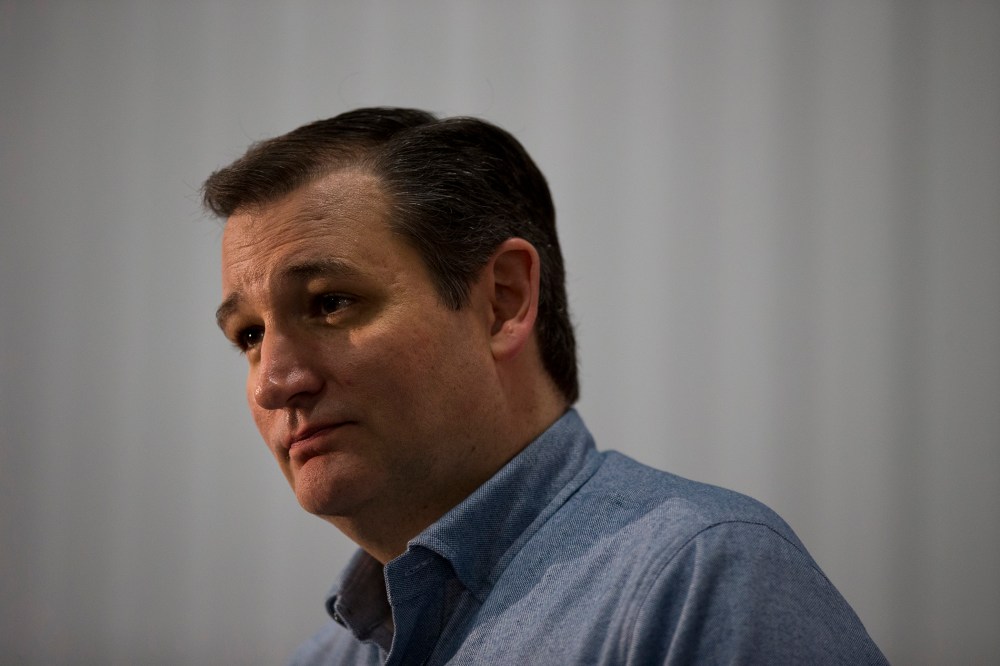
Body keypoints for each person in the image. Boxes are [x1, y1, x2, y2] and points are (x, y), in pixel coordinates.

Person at [203, 107, 887, 665]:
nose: (274, 383)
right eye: (249, 336)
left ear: (502, 300)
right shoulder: (327, 657)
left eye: (329, 303)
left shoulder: (700, 576)